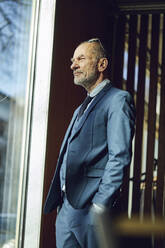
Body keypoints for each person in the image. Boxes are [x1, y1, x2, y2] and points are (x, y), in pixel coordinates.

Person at [44, 38, 136, 248]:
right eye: (72, 60)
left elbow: (119, 156)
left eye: (81, 59)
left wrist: (100, 205)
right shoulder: (80, 109)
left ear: (102, 64)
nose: (73, 65)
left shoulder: (118, 100)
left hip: (92, 211)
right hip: (66, 207)